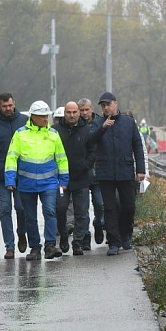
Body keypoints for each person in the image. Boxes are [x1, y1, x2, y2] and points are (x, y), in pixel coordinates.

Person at [5, 101, 69, 260]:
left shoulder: (53, 134)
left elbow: (62, 159)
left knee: (50, 211)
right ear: (32, 117)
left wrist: (64, 180)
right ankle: (35, 248)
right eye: (41, 116)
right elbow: (11, 157)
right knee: (30, 217)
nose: (45, 119)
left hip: (49, 183)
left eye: (46, 116)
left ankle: (50, 246)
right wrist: (10, 179)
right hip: (26, 184)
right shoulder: (20, 134)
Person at [90, 92, 145, 256]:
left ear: (115, 104)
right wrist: (102, 128)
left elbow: (137, 146)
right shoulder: (97, 123)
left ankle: (125, 234)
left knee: (128, 206)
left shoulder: (128, 122)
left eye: (108, 104)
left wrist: (140, 170)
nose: (106, 108)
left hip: (125, 170)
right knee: (110, 208)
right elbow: (90, 140)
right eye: (103, 105)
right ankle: (114, 242)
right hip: (105, 172)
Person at [0, 93, 30, 259]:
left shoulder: (24, 121)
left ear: (14, 103)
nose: (8, 109)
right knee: (5, 209)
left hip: (21, 174)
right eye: (4, 106)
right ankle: (9, 246)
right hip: (1, 175)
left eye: (10, 105)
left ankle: (22, 233)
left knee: (22, 208)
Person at [54, 101, 95, 255]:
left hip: (82, 178)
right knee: (60, 209)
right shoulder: (56, 131)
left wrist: (86, 166)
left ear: (79, 113)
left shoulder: (87, 130)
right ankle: (64, 235)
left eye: (74, 112)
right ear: (64, 113)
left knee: (81, 212)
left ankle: (77, 242)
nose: (72, 115)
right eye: (68, 112)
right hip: (62, 179)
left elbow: (93, 151)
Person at [78, 97, 103, 249]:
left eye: (87, 109)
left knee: (100, 204)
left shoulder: (100, 123)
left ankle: (99, 223)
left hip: (98, 171)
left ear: (92, 109)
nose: (84, 113)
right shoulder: (75, 126)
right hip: (82, 172)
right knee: (82, 208)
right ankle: (85, 235)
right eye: (82, 110)